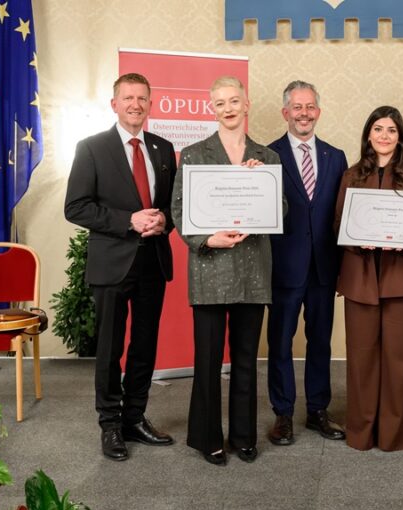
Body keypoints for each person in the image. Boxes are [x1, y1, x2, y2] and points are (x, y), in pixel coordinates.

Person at [65, 73, 176, 461]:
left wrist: (164, 220)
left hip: (152, 261)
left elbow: (173, 207)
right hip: (112, 262)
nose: (135, 104)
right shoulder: (92, 148)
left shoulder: (164, 149)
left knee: (144, 346)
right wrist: (128, 220)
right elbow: (75, 207)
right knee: (110, 348)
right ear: (114, 104)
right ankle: (110, 424)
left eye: (142, 98)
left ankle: (135, 418)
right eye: (128, 98)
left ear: (150, 103)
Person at [171, 76, 281, 466]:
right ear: (212, 108)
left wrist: (259, 186)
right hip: (211, 267)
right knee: (208, 360)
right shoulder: (195, 154)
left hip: (253, 270)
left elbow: (279, 210)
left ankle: (244, 436)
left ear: (247, 104)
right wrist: (205, 238)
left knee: (247, 359)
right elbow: (179, 210)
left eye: (234, 101)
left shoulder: (267, 157)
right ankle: (206, 437)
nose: (228, 108)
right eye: (220, 103)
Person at [334, 106, 403, 451]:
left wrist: (402, 239)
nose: (384, 136)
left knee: (399, 359)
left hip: (402, 278)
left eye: (391, 130)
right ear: (368, 134)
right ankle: (361, 433)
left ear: (400, 136)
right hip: (360, 277)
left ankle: (393, 436)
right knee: (361, 359)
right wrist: (355, 236)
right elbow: (338, 225)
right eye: (378, 129)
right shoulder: (351, 175)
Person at [266, 81, 348, 445]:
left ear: (318, 111)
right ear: (286, 112)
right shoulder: (267, 156)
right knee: (280, 343)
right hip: (284, 266)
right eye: (297, 107)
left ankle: (317, 409)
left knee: (321, 342)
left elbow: (341, 214)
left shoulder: (336, 156)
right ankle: (282, 414)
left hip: (323, 268)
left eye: (310, 106)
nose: (304, 113)